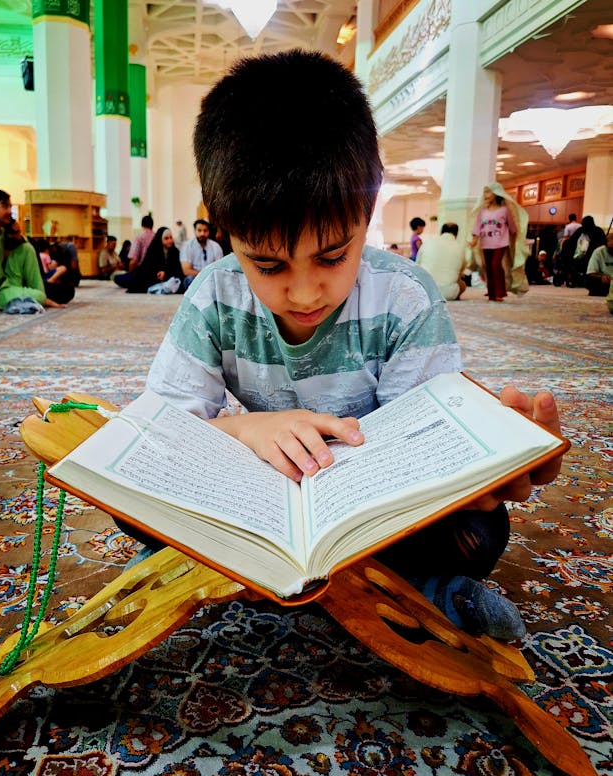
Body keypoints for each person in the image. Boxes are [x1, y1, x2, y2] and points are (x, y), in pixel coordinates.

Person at [137, 50, 563, 642]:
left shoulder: (404, 298)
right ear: (224, 228)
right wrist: (248, 431)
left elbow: (421, 443)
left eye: (334, 256)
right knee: (135, 499)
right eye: (267, 263)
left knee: (478, 533)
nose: (305, 290)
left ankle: (232, 577)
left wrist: (478, 471)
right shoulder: (214, 294)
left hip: (368, 511)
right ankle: (411, 597)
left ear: (369, 211)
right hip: (260, 493)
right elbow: (161, 426)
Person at [0, 188, 64, 314]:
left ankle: (41, 294)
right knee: (42, 296)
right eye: (5, 207)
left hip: (4, 283)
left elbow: (21, 248)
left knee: (26, 248)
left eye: (10, 207)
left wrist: (15, 233)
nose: (10, 211)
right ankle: (41, 297)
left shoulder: (0, 231)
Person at [470, 182, 527, 301]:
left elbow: (512, 226)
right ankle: (491, 294)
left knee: (496, 265)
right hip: (485, 243)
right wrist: (474, 240)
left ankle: (500, 292)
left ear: (496, 193)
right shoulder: (482, 211)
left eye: (488, 192)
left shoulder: (504, 210)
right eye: (484, 192)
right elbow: (477, 227)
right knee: (488, 267)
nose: (486, 195)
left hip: (501, 242)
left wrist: (516, 239)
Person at [416, 222, 467, 300]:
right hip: (448, 293)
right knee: (462, 284)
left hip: (424, 291)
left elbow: (417, 265)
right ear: (456, 234)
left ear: (441, 232)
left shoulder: (428, 243)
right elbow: (461, 272)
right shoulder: (459, 248)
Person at [127, 226, 184, 293]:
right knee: (126, 279)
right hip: (152, 278)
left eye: (171, 238)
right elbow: (146, 267)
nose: (170, 240)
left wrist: (166, 273)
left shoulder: (175, 252)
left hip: (168, 279)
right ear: (160, 239)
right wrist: (157, 273)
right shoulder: (153, 250)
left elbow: (177, 270)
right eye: (166, 238)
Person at [179, 219, 223, 289]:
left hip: (211, 278)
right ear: (194, 231)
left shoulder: (215, 246)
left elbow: (220, 268)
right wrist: (203, 274)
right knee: (190, 279)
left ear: (209, 231)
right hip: (195, 278)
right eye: (199, 230)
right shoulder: (187, 246)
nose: (202, 234)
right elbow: (186, 271)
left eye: (205, 231)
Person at [585, 230, 613, 296]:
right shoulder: (599, 252)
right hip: (606, 281)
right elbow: (591, 272)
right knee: (589, 281)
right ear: (606, 246)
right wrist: (601, 277)